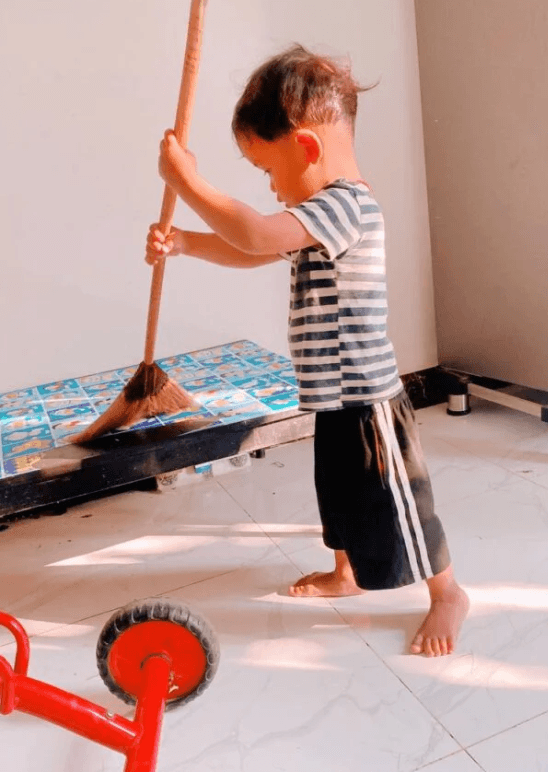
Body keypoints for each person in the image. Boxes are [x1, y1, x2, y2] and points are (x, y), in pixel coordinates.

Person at [145, 45, 469, 656]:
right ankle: (346, 573)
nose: (269, 186)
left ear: (307, 149)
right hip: (333, 396)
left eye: (267, 170)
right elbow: (253, 250)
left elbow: (256, 232)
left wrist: (187, 182)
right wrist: (186, 241)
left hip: (370, 400)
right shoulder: (316, 214)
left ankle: (447, 590)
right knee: (340, 497)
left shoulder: (348, 206)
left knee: (402, 504)